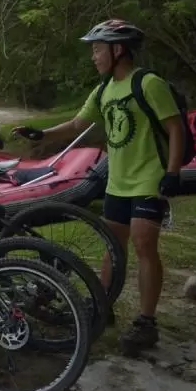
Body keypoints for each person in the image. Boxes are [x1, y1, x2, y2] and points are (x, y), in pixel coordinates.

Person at [12, 19, 185, 356]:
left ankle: (146, 322)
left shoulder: (148, 84)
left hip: (149, 177)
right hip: (118, 180)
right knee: (113, 245)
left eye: (97, 49)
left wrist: (173, 172)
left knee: (144, 243)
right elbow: (79, 123)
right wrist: (42, 135)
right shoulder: (104, 89)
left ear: (117, 49)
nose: (93, 56)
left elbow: (175, 128)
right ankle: (103, 306)